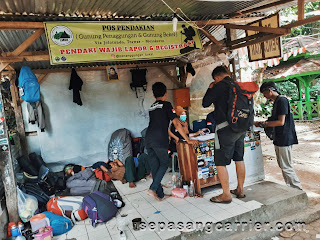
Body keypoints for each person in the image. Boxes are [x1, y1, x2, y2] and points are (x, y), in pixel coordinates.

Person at [145, 82, 198, 201]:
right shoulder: (167, 105)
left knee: (155, 167)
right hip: (159, 139)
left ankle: (160, 194)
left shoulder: (152, 107)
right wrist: (188, 139)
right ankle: (152, 189)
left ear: (154, 96)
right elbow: (176, 124)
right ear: (166, 93)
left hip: (148, 138)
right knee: (164, 164)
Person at [202, 66, 247, 203]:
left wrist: (210, 88)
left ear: (216, 77)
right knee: (239, 158)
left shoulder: (218, 86)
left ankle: (226, 194)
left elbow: (205, 103)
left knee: (220, 162)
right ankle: (240, 189)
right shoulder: (237, 85)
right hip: (241, 128)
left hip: (225, 129)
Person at [255, 82, 302, 190]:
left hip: (284, 137)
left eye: (264, 93)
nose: (264, 96)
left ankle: (297, 189)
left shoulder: (282, 100)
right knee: (283, 165)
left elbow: (280, 122)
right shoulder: (277, 101)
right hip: (280, 137)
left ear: (270, 91)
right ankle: (291, 187)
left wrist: (264, 124)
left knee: (286, 166)